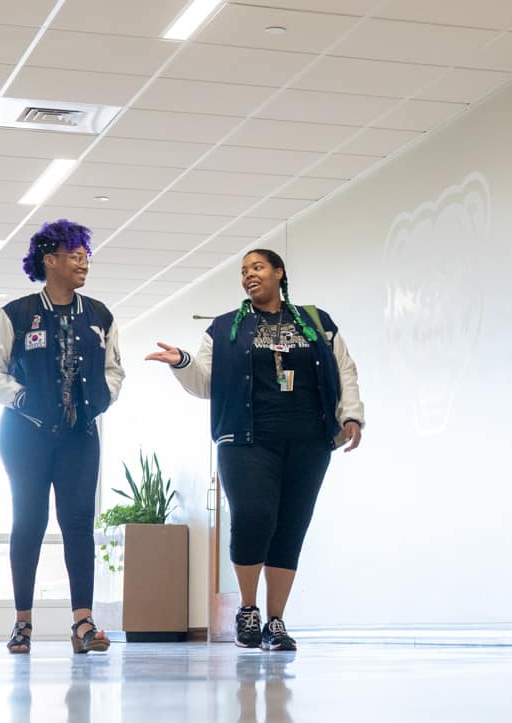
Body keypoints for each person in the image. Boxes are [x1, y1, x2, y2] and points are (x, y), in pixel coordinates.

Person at [146, 248, 364, 652]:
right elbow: (206, 383)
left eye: (258, 267)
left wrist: (351, 414)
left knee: (291, 525)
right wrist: (182, 362)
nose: (249, 275)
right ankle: (248, 608)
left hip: (309, 439)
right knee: (253, 515)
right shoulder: (227, 327)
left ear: (279, 272)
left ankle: (276, 620)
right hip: (245, 438)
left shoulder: (317, 323)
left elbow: (343, 369)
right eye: (244, 270)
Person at [0, 219, 124, 655]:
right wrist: (21, 399)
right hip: (25, 435)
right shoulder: (15, 314)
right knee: (30, 521)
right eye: (74, 255)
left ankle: (82, 622)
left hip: (80, 434)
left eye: (85, 256)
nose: (83, 263)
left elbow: (115, 369)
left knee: (78, 523)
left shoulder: (100, 315)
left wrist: (102, 398)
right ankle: (23, 623)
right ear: (49, 260)